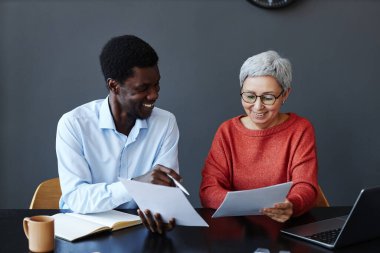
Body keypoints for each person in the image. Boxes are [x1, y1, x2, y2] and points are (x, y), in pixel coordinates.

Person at [56, 35, 180, 233]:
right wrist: (134, 186)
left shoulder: (165, 123)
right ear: (114, 86)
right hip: (83, 232)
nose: (154, 95)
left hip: (139, 230)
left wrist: (162, 211)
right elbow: (75, 198)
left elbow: (164, 192)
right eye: (143, 88)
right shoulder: (74, 124)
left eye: (156, 84)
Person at [199, 50, 318, 223]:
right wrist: (252, 207)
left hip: (285, 226)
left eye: (268, 98)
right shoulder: (227, 131)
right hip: (236, 229)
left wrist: (291, 204)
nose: (257, 106)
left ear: (285, 94)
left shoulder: (300, 129)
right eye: (249, 96)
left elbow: (306, 185)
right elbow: (208, 189)